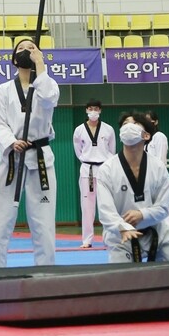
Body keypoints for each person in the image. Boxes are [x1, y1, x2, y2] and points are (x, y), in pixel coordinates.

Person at [0, 40, 60, 268]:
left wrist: (41, 64)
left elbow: (50, 99)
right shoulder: (4, 90)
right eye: (21, 48)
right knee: (0, 219)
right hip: (12, 158)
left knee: (43, 222)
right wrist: (10, 141)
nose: (27, 50)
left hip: (40, 157)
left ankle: (46, 273)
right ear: (14, 59)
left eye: (32, 47)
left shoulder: (46, 84)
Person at [96, 113, 169, 263]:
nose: (128, 127)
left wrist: (143, 214)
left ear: (146, 135)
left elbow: (163, 207)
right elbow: (105, 212)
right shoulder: (106, 170)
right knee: (120, 280)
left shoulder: (158, 167)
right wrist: (122, 226)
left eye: (134, 124)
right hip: (121, 236)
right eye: (125, 124)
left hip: (156, 232)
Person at [72, 99, 116, 248]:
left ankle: (108, 239)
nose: (93, 111)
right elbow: (78, 151)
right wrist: (87, 161)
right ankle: (87, 240)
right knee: (87, 206)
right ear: (86, 110)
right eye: (90, 108)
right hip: (87, 170)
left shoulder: (108, 129)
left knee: (106, 205)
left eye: (96, 109)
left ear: (100, 111)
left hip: (104, 169)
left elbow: (112, 150)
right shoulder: (79, 130)